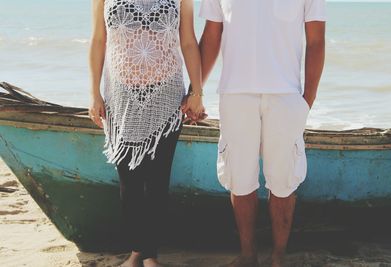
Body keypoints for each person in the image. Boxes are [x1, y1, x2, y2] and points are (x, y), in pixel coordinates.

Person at [199, 0, 326, 266]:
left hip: (286, 95)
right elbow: (212, 34)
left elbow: (316, 40)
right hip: (235, 93)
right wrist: (195, 89)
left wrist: (307, 100)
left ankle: (278, 256)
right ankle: (248, 255)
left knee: (283, 181)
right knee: (240, 179)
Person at [88, 0, 205, 266]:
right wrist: (94, 93)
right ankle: (136, 251)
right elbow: (98, 40)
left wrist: (196, 92)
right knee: (128, 180)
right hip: (120, 95)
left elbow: (188, 41)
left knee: (157, 180)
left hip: (166, 95)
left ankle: (150, 255)